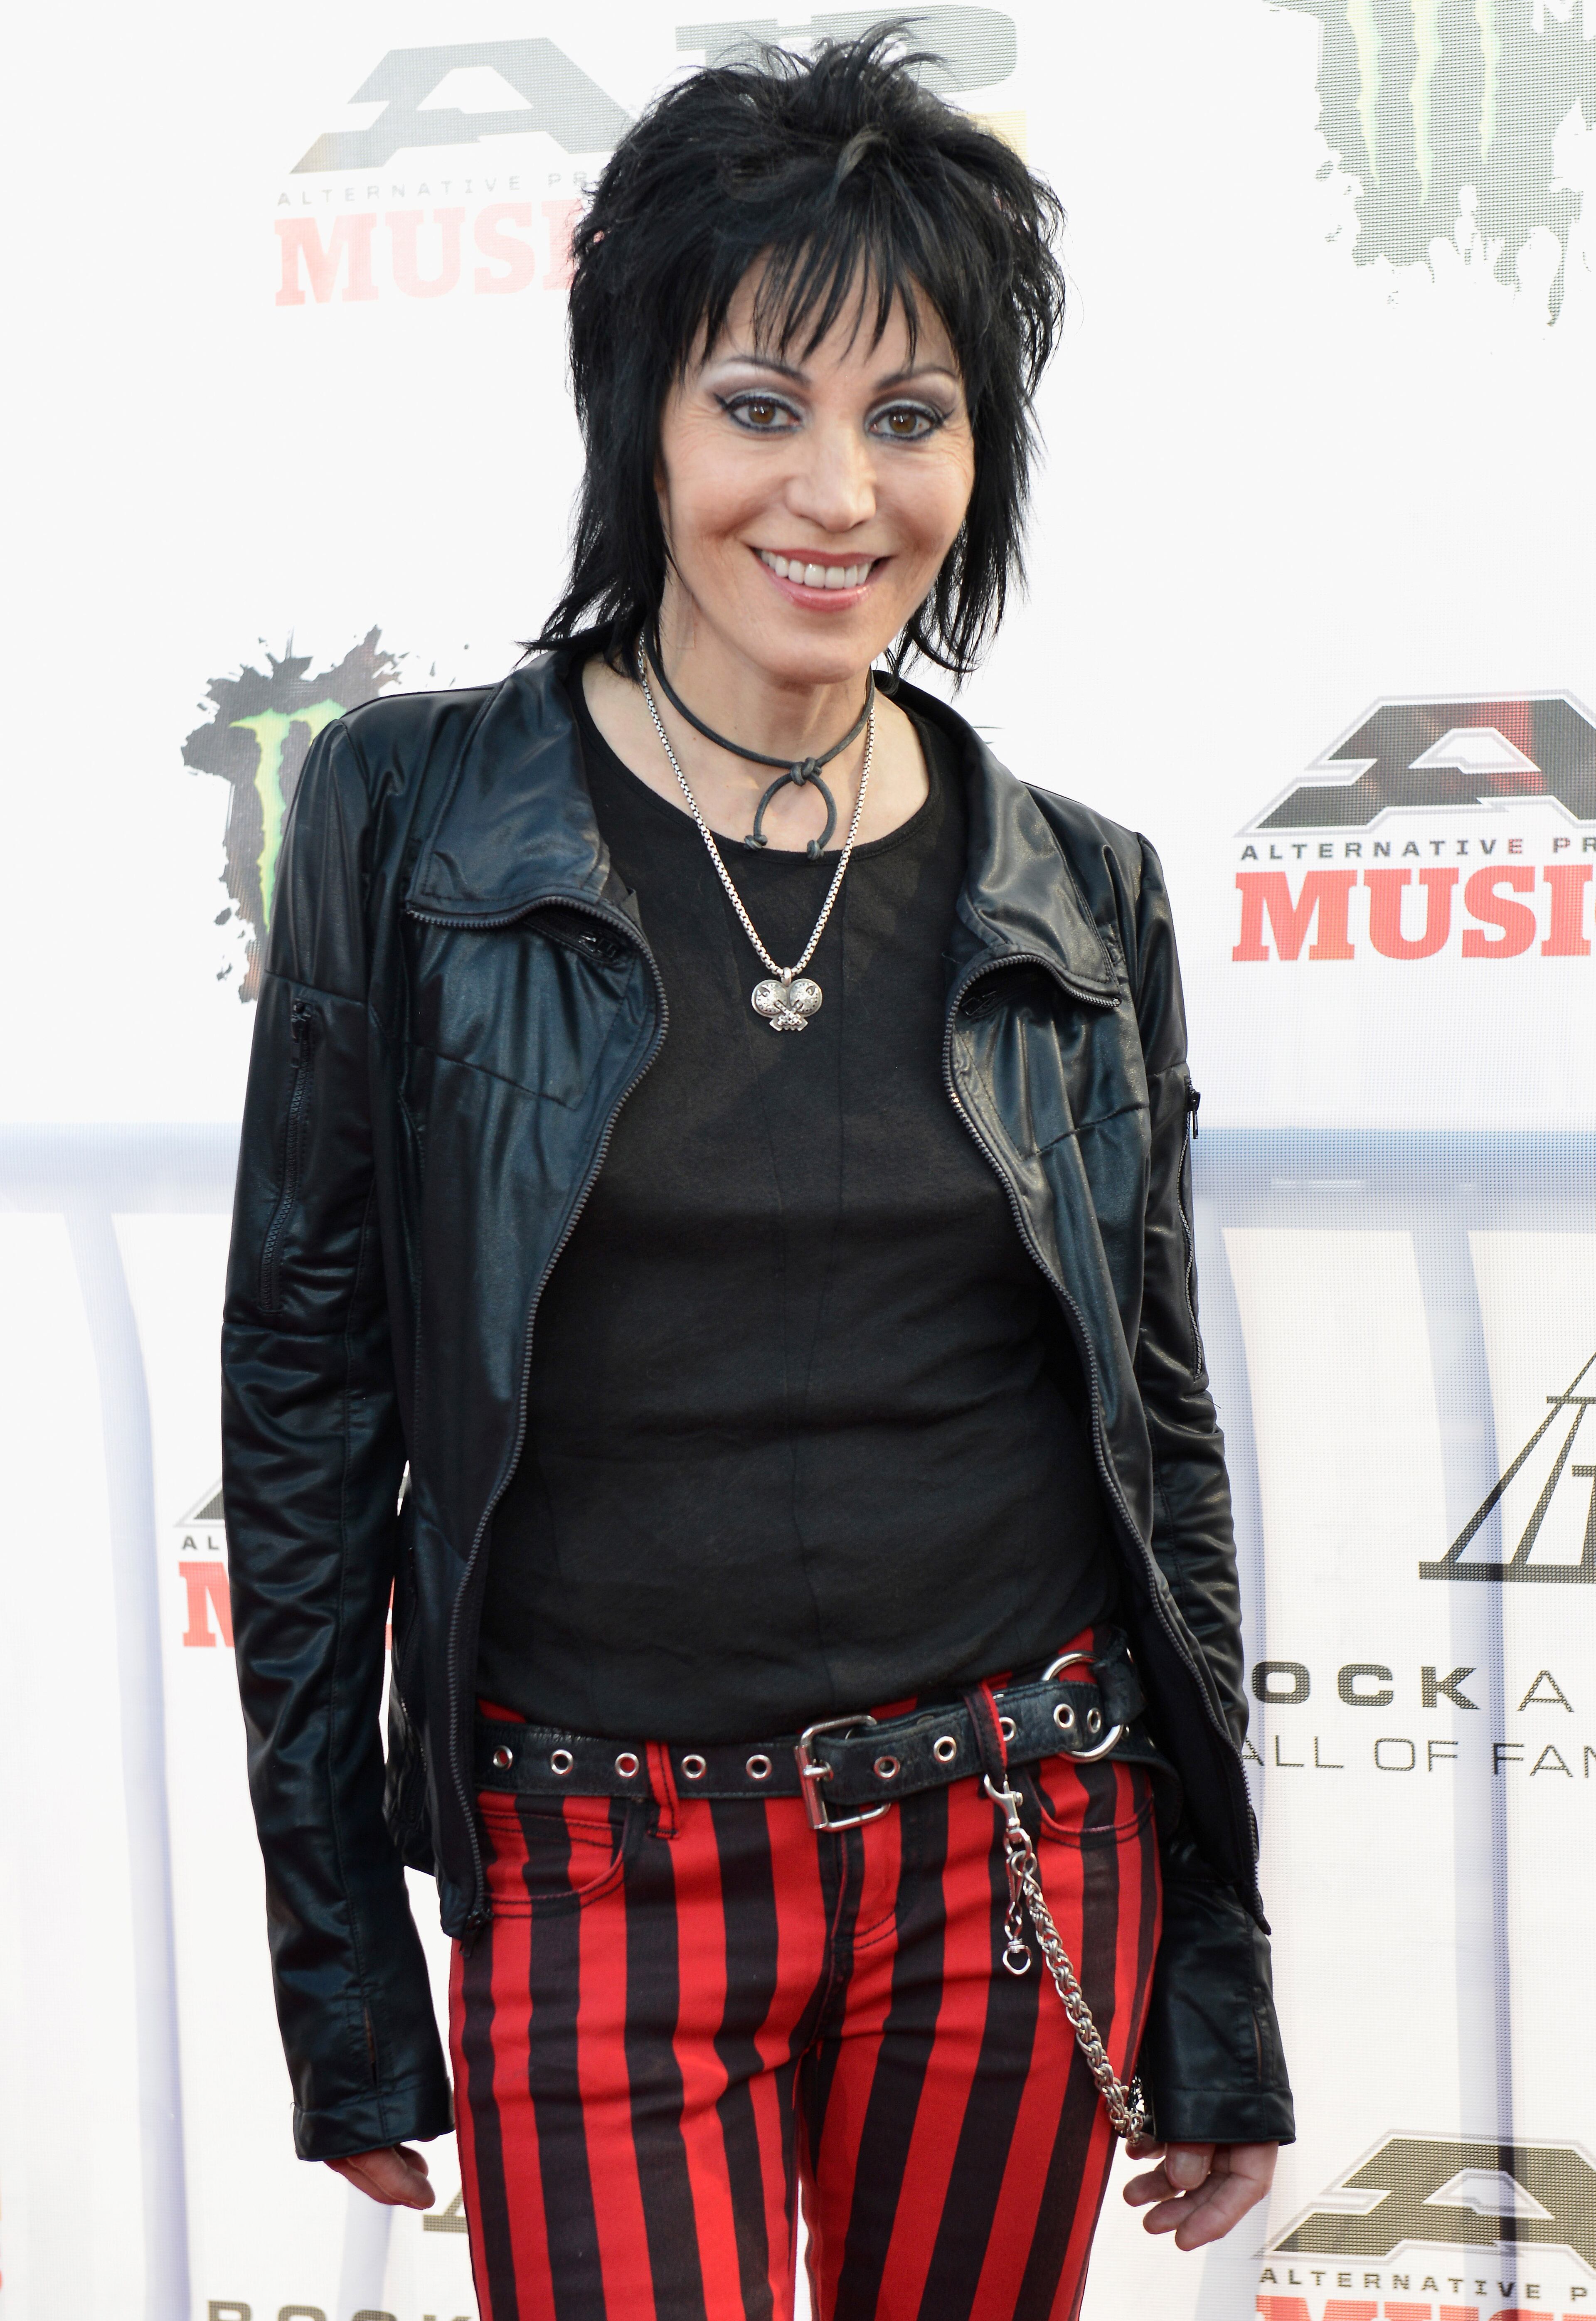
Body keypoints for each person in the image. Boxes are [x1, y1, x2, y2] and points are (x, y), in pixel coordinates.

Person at [222, 32, 1293, 2321]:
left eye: (910, 415)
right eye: (761, 402)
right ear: (643, 413)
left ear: (979, 452)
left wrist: (1220, 1958)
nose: (837, 491)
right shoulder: (413, 823)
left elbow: (1157, 1437)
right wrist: (340, 1964)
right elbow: (307, 1416)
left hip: (1016, 1844)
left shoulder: (1079, 890)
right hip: (586, 1858)